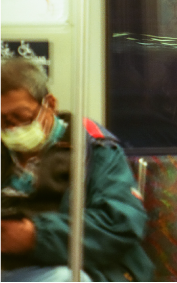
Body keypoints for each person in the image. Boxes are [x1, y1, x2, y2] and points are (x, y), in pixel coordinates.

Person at [0, 58, 154, 282]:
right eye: (2, 120)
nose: (11, 127)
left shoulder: (95, 149)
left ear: (50, 104)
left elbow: (121, 223)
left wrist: (35, 235)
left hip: (78, 269)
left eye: (21, 116)